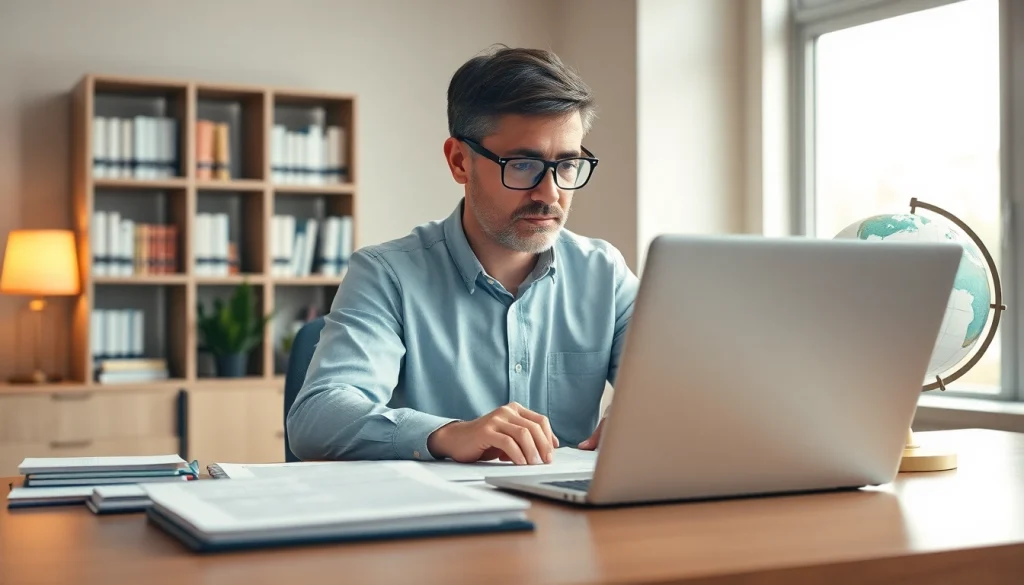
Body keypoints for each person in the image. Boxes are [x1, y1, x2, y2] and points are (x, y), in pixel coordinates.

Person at [287, 46, 639, 466]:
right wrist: (447, 435)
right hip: (440, 522)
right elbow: (316, 417)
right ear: (460, 162)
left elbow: (678, 386)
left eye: (566, 165)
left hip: (572, 517)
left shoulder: (604, 273)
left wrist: (641, 416)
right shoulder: (387, 275)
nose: (550, 194)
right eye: (523, 165)